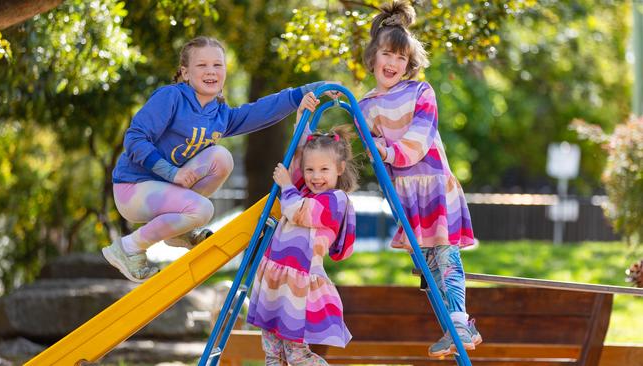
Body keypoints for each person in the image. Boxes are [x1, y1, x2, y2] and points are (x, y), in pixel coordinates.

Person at [103, 36, 332, 283]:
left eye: (217, 65)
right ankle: (128, 247)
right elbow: (135, 138)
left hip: (165, 190)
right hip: (133, 187)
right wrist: (172, 173)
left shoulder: (219, 114)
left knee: (221, 158)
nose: (210, 71)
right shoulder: (171, 98)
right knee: (203, 209)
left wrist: (313, 89)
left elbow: (260, 110)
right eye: (201, 65)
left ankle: (181, 230)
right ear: (185, 73)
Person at [357, 0, 482, 357]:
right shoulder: (363, 106)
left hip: (434, 186)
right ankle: (454, 329)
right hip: (404, 196)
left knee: (445, 254)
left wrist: (385, 150)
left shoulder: (421, 93)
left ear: (409, 63)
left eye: (401, 57)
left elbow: (417, 142)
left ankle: (459, 318)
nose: (393, 63)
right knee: (427, 269)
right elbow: (373, 157)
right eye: (387, 54)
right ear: (373, 56)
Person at [246, 92, 358, 365]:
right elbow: (298, 154)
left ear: (340, 168)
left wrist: (286, 185)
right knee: (273, 353)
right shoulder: (304, 190)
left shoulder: (335, 200)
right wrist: (302, 116)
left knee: (296, 354)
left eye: (323, 169)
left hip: (298, 283)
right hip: (273, 276)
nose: (315, 176)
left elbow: (298, 213)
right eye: (310, 170)